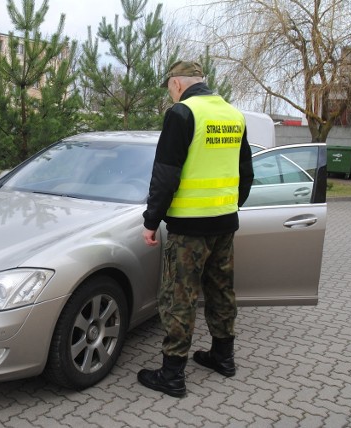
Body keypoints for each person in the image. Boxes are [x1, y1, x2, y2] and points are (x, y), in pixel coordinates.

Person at [137, 60, 254, 398]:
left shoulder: (182, 114)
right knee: (221, 291)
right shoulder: (233, 115)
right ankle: (223, 357)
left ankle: (172, 375)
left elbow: (165, 174)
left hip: (189, 229)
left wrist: (151, 221)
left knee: (179, 297)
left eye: (169, 89)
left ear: (176, 84)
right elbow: (246, 173)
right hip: (224, 224)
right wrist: (229, 206)